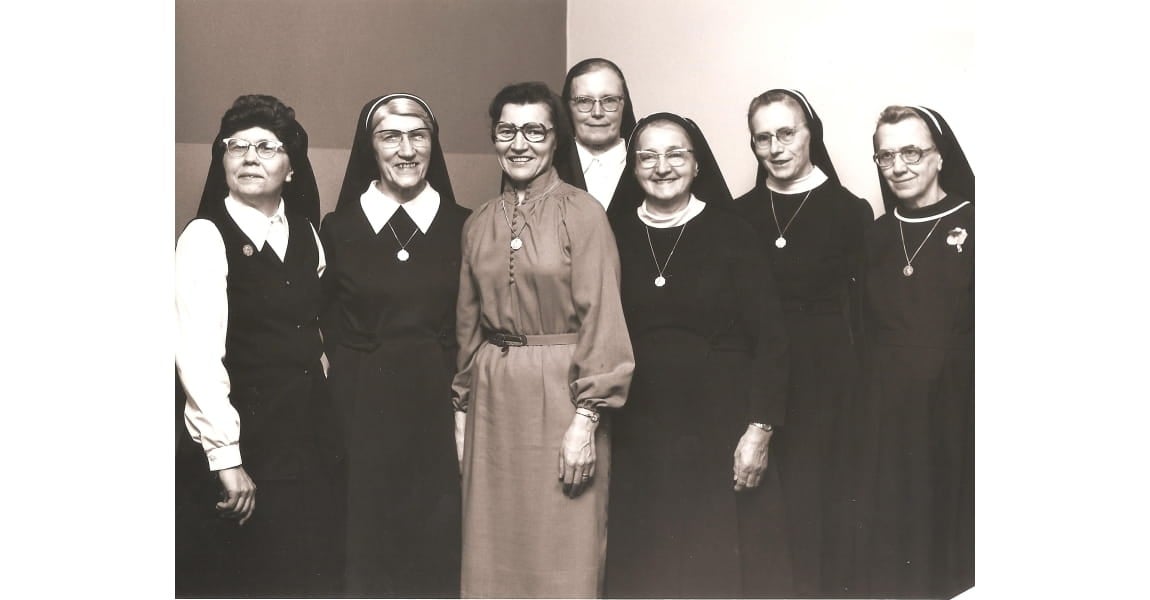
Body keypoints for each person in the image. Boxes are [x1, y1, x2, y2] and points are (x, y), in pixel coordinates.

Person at [451, 81, 635, 598]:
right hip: (492, 399)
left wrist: (587, 419)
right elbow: (468, 325)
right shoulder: (479, 222)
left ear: (556, 139)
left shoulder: (584, 213)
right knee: (492, 544)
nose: (520, 143)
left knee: (563, 542)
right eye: (507, 130)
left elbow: (603, 318)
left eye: (535, 130)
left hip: (565, 395)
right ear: (494, 138)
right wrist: (461, 412)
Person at [605, 112, 793, 598]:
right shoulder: (614, 235)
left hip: (719, 425)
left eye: (675, 154)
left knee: (712, 562)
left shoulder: (733, 233)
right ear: (633, 166)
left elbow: (772, 338)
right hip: (639, 430)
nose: (661, 166)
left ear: (696, 163)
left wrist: (760, 428)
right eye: (647, 156)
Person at [175, 94, 344, 598]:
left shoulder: (309, 234)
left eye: (266, 147)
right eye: (237, 146)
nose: (250, 157)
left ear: (292, 167)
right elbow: (197, 356)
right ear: (222, 160)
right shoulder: (205, 237)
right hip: (241, 445)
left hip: (305, 440)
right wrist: (227, 459)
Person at [320, 93, 469, 597]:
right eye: (390, 136)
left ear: (433, 146)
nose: (406, 150)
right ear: (370, 148)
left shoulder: (466, 225)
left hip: (441, 405)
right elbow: (326, 323)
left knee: (438, 538)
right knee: (365, 542)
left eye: (418, 136)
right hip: (361, 408)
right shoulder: (335, 229)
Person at [732, 88, 874, 597]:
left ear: (810, 132)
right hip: (758, 378)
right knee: (765, 511)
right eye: (762, 138)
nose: (775, 147)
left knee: (822, 510)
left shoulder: (849, 211)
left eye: (786, 133)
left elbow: (865, 312)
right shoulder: (739, 214)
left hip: (828, 381)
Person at [849, 105, 975, 599]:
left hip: (957, 412)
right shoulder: (876, 235)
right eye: (885, 156)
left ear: (940, 157)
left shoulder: (984, 223)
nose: (898, 166)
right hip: (885, 418)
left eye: (911, 152)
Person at [556, 57, 637, 218]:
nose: (598, 112)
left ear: (624, 105)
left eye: (609, 100)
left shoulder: (651, 166)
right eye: (584, 101)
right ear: (568, 108)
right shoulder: (549, 170)